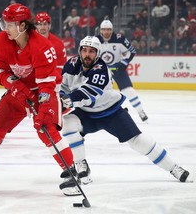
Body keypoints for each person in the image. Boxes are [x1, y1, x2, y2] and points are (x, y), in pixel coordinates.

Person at [0, 3, 74, 195]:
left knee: (46, 129)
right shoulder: (1, 41)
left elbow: (47, 87)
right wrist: (16, 87)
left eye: (10, 24)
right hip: (17, 92)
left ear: (23, 26)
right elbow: (0, 71)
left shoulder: (43, 47)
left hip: (41, 92)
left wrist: (43, 108)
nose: (5, 28)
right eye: (5, 23)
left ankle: (71, 173)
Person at [59, 35, 194, 195]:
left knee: (138, 141)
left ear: (98, 53)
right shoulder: (71, 64)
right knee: (68, 124)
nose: (87, 54)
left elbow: (86, 94)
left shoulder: (101, 69)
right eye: (85, 50)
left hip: (110, 112)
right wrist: (55, 102)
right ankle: (82, 165)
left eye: (92, 51)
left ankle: (173, 168)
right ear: (80, 51)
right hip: (86, 113)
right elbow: (64, 88)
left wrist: (60, 104)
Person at [96, 19, 148, 122]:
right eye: (104, 30)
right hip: (102, 71)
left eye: (109, 29)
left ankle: (140, 111)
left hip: (118, 70)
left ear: (112, 30)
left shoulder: (119, 38)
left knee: (129, 91)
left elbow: (132, 51)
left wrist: (124, 62)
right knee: (99, 94)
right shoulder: (95, 40)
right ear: (101, 30)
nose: (106, 32)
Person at [35, 12, 67, 84]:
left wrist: (50, 79)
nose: (42, 27)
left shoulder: (58, 43)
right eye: (40, 24)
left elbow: (61, 66)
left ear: (49, 25)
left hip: (51, 81)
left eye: (45, 24)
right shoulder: (29, 41)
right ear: (36, 26)